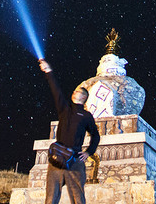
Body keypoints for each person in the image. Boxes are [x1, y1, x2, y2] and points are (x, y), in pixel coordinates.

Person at [38, 58, 100, 204]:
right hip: (57, 159)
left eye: (77, 91)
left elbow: (95, 135)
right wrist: (48, 72)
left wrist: (89, 152)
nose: (73, 91)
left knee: (78, 198)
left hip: (75, 161)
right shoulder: (65, 110)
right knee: (50, 198)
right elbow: (56, 91)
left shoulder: (86, 116)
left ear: (84, 96)